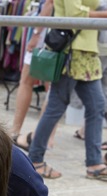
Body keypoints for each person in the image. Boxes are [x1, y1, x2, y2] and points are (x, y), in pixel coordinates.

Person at [28, 0, 107, 180]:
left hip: (85, 51)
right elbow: (75, 13)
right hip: (73, 51)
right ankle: (35, 159)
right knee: (57, 105)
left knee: (96, 105)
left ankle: (94, 163)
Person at [10, 0, 55, 150]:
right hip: (56, 31)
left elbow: (50, 3)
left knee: (29, 81)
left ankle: (18, 131)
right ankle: (46, 137)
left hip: (47, 32)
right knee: (51, 86)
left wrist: (36, 33)